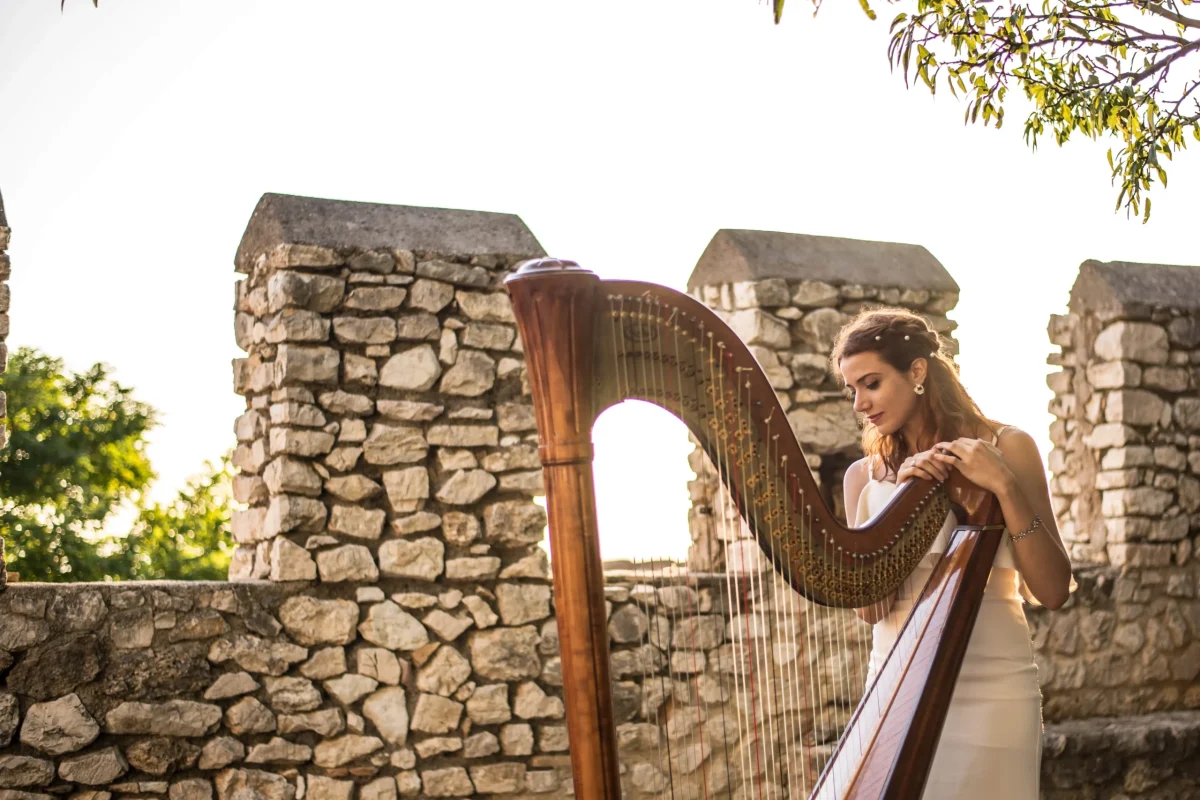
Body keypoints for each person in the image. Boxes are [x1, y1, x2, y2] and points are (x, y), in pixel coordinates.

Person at [835, 307, 1074, 800]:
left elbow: (1051, 591)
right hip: (896, 688)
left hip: (996, 687)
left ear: (917, 372)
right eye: (852, 389)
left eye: (872, 383)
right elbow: (871, 610)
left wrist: (1005, 486)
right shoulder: (864, 477)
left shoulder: (1009, 445)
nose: (860, 403)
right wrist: (901, 506)